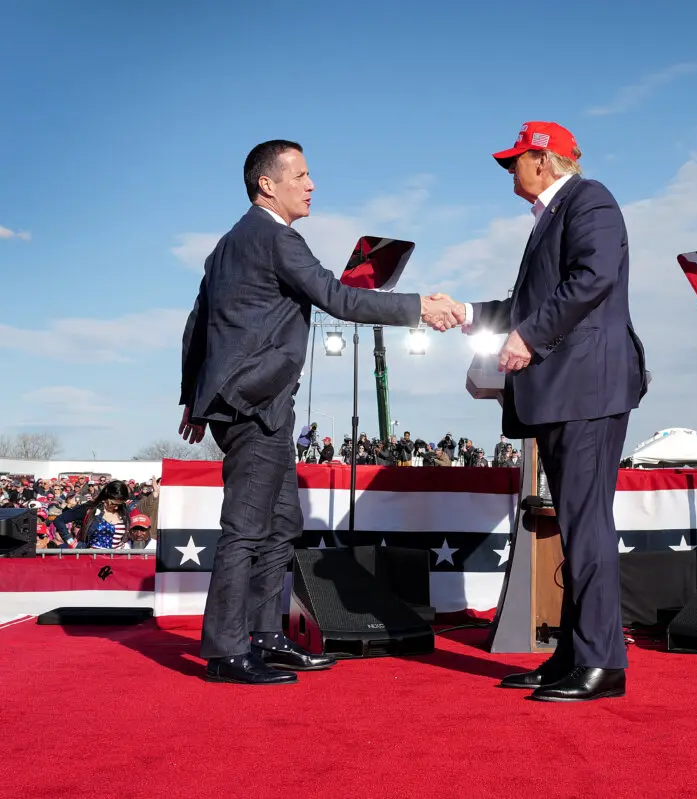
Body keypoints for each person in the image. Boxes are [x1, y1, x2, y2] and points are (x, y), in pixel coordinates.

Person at [178, 139, 463, 685]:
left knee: (283, 521)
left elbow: (197, 325)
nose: (312, 185)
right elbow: (340, 299)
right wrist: (419, 308)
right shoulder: (276, 238)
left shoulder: (227, 244)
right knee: (247, 528)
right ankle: (226, 651)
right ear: (268, 184)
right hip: (254, 403)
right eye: (302, 175)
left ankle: (265, 636)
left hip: (248, 401)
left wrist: (193, 396)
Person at [445, 121, 649, 702]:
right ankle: (573, 655)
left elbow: (593, 278)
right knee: (579, 528)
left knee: (587, 528)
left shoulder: (590, 200)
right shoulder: (551, 220)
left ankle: (603, 663)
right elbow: (524, 304)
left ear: (544, 160)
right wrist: (462, 312)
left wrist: (529, 337)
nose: (510, 171)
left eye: (515, 160)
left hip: (587, 389)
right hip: (568, 391)